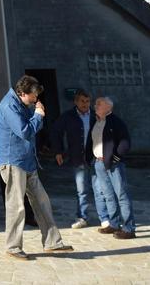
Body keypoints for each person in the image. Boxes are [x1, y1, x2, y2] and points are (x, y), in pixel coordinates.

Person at [0, 75, 73, 260]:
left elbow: (33, 127)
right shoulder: (9, 106)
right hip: (13, 161)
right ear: (22, 93)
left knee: (42, 201)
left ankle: (52, 242)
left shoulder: (23, 105)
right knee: (17, 206)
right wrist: (38, 115)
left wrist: (36, 115)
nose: (36, 99)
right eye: (34, 95)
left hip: (27, 161)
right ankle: (13, 247)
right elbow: (25, 131)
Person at [50, 90, 108, 230]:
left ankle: (104, 218)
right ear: (76, 102)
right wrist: (58, 151)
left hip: (95, 158)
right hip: (78, 158)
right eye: (82, 101)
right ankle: (82, 217)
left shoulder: (96, 116)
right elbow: (56, 131)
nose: (85, 104)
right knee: (81, 189)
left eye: (87, 101)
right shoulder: (68, 117)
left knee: (99, 189)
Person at [92, 96, 136, 240]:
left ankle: (129, 228)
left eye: (99, 104)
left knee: (122, 194)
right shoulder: (97, 122)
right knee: (108, 195)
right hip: (99, 163)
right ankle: (114, 224)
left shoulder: (116, 122)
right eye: (96, 103)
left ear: (108, 107)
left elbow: (125, 142)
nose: (96, 105)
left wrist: (115, 158)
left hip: (113, 164)